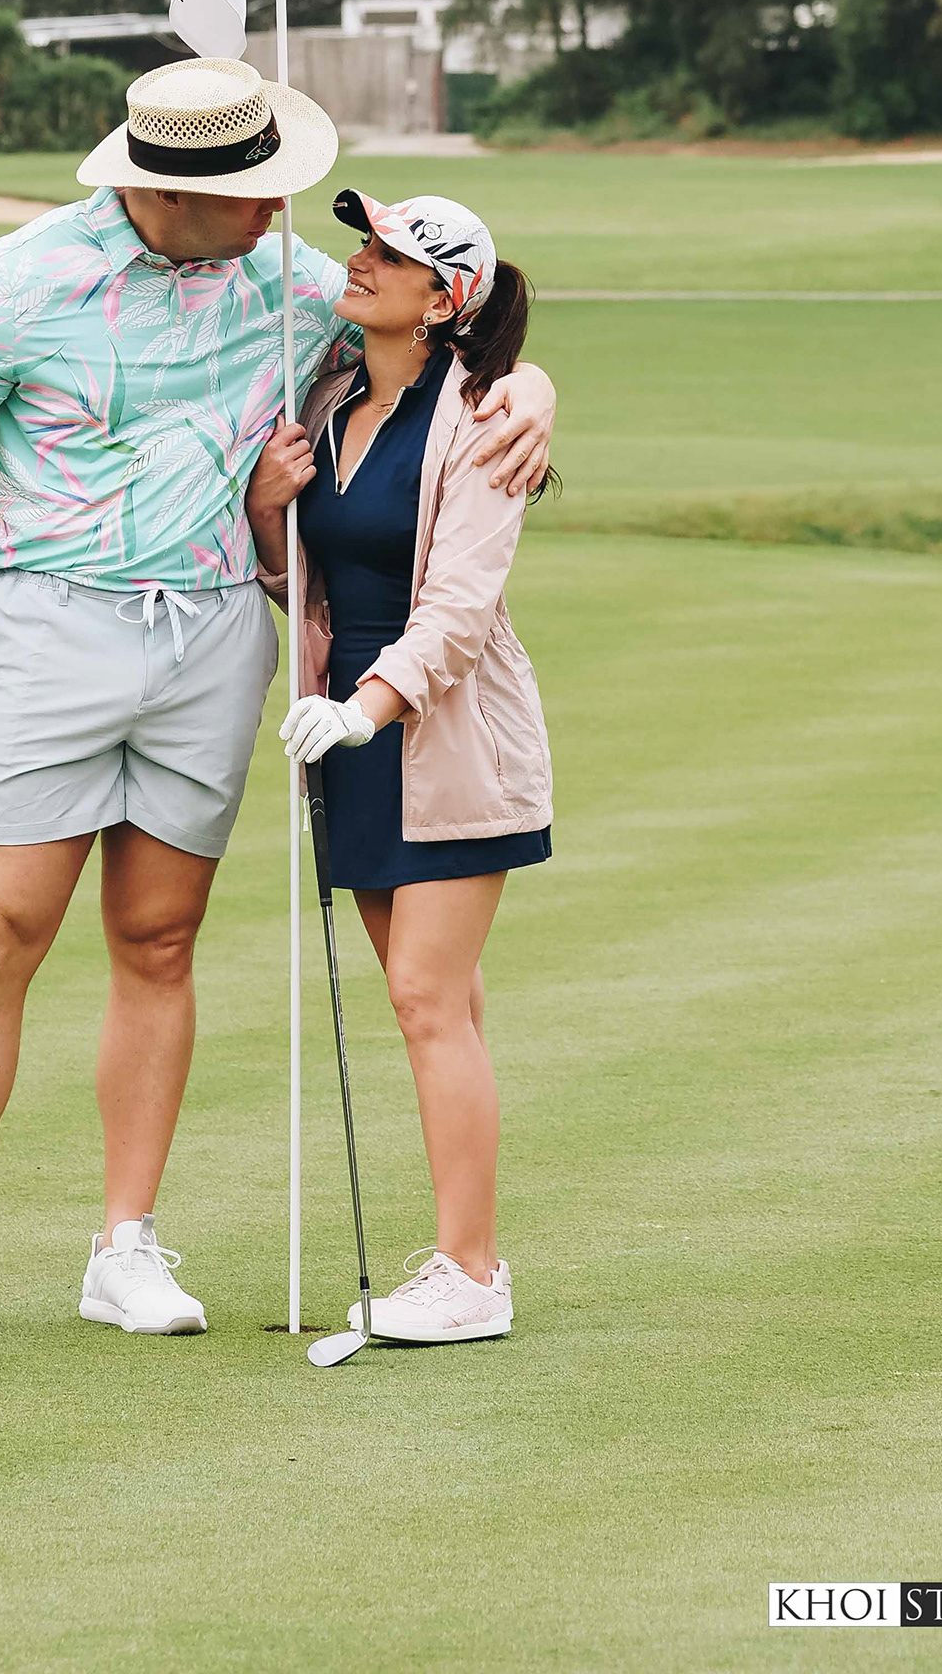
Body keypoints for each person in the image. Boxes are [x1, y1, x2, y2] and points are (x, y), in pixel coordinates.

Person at [0, 61, 558, 1344]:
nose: (284, 215)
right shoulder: (16, 282)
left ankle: (123, 1246)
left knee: (157, 939)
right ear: (166, 189)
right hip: (49, 626)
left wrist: (531, 393)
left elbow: (455, 341)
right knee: (0, 932)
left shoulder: (291, 277)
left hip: (208, 642)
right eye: (256, 194)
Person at [246, 187, 554, 1347]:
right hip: (358, 733)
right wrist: (270, 514)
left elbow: (461, 609)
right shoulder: (330, 402)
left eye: (392, 255)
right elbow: (311, 581)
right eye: (364, 242)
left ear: (443, 300)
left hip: (446, 736)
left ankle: (469, 1277)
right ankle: (469, 1262)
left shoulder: (482, 417)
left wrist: (367, 710)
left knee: (429, 999)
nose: (361, 261)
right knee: (438, 1003)